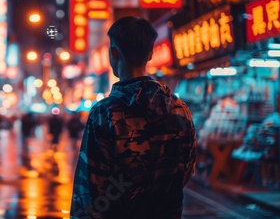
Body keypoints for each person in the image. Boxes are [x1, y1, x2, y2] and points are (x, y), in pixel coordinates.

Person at [70, 17, 197, 218]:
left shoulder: (105, 113)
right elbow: (186, 171)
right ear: (150, 55)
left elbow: (90, 188)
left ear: (113, 53)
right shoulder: (180, 109)